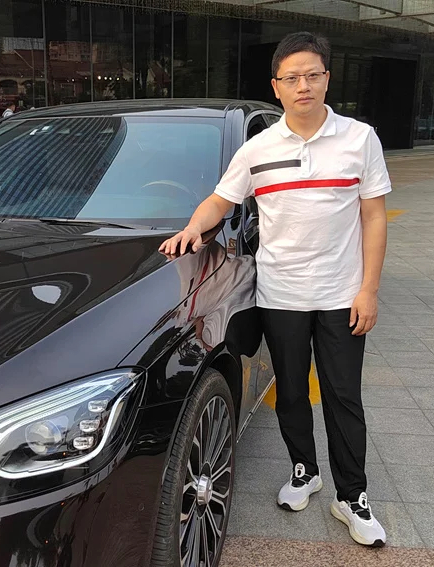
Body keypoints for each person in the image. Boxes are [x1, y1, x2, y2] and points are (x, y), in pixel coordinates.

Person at [160, 31, 390, 547]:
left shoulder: (360, 139)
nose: (302, 86)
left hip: (342, 295)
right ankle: (304, 471)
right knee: (290, 390)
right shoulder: (257, 149)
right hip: (280, 294)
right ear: (277, 86)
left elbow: (374, 217)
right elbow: (220, 201)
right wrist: (192, 228)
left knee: (343, 397)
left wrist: (369, 290)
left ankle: (352, 495)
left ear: (327, 79)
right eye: (292, 78)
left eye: (312, 75)